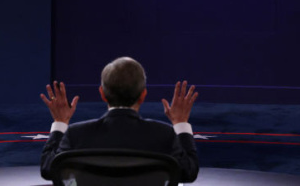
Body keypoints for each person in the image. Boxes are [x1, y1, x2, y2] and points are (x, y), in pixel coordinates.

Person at [39, 56, 199, 182]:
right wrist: (181, 124)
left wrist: (60, 123)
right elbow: (189, 172)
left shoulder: (77, 134)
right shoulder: (164, 134)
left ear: (102, 94)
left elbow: (48, 169)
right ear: (143, 95)